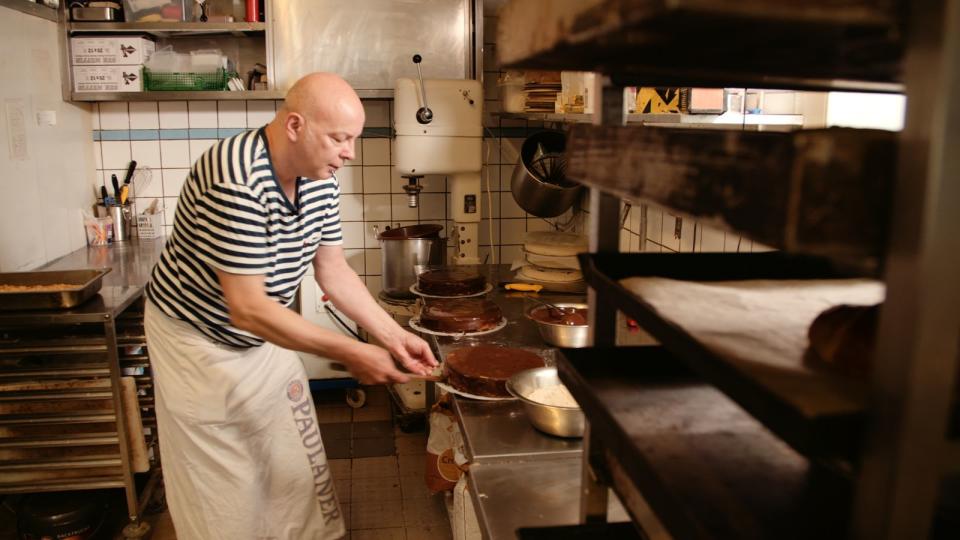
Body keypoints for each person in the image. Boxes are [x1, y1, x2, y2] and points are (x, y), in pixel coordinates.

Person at [143, 72, 437, 540]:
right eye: (340, 138)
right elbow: (248, 309)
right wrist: (352, 352)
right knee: (224, 481)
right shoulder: (236, 178)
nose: (350, 152)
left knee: (291, 454)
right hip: (198, 342)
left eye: (354, 139)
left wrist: (393, 335)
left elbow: (333, 268)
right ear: (295, 125)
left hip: (262, 333)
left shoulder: (320, 175)